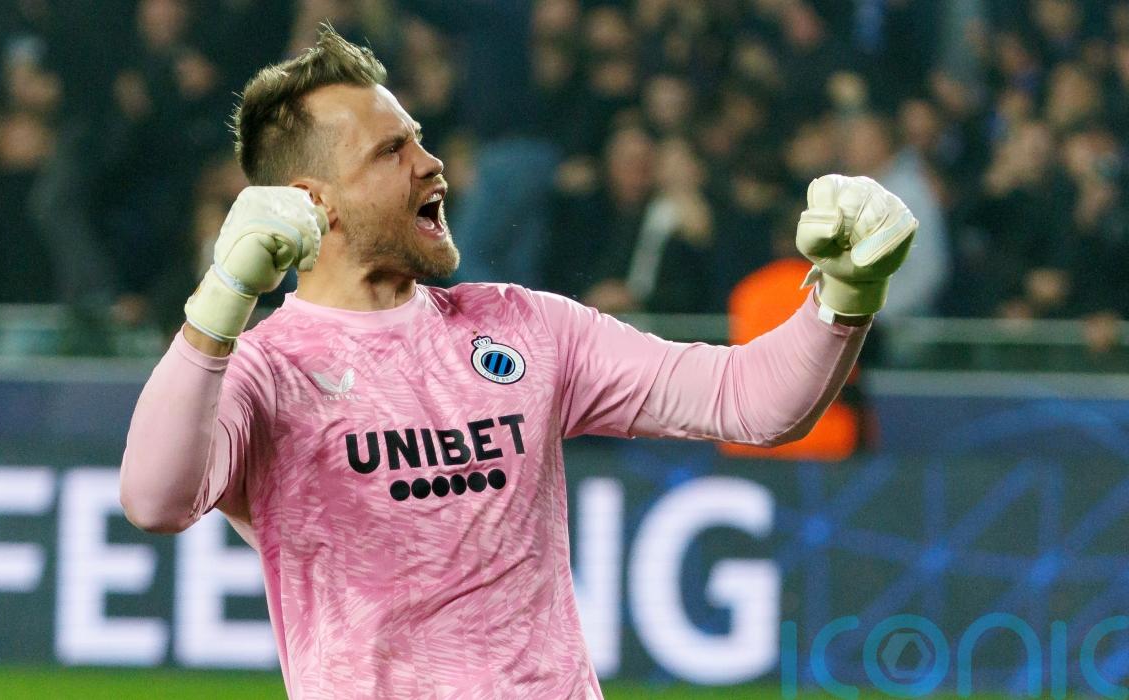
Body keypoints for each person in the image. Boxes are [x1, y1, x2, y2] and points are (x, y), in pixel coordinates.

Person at [119, 25, 918, 699]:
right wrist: (223, 297)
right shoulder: (265, 370)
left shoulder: (524, 326)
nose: (430, 163)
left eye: (419, 138)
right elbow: (156, 499)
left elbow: (753, 401)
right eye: (392, 151)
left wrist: (848, 292)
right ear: (313, 200)